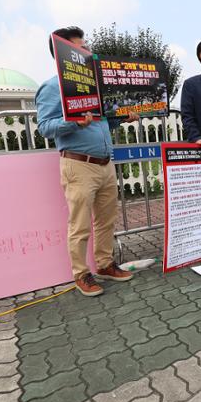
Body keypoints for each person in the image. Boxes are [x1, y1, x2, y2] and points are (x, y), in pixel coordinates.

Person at [36, 26, 137, 296]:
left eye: (86, 46)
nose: (87, 52)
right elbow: (44, 127)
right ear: (62, 54)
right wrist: (73, 121)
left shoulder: (94, 86)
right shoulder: (51, 87)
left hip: (105, 163)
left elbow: (102, 124)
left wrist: (121, 119)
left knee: (107, 219)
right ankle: (81, 273)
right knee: (79, 225)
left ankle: (104, 265)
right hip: (78, 165)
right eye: (80, 48)